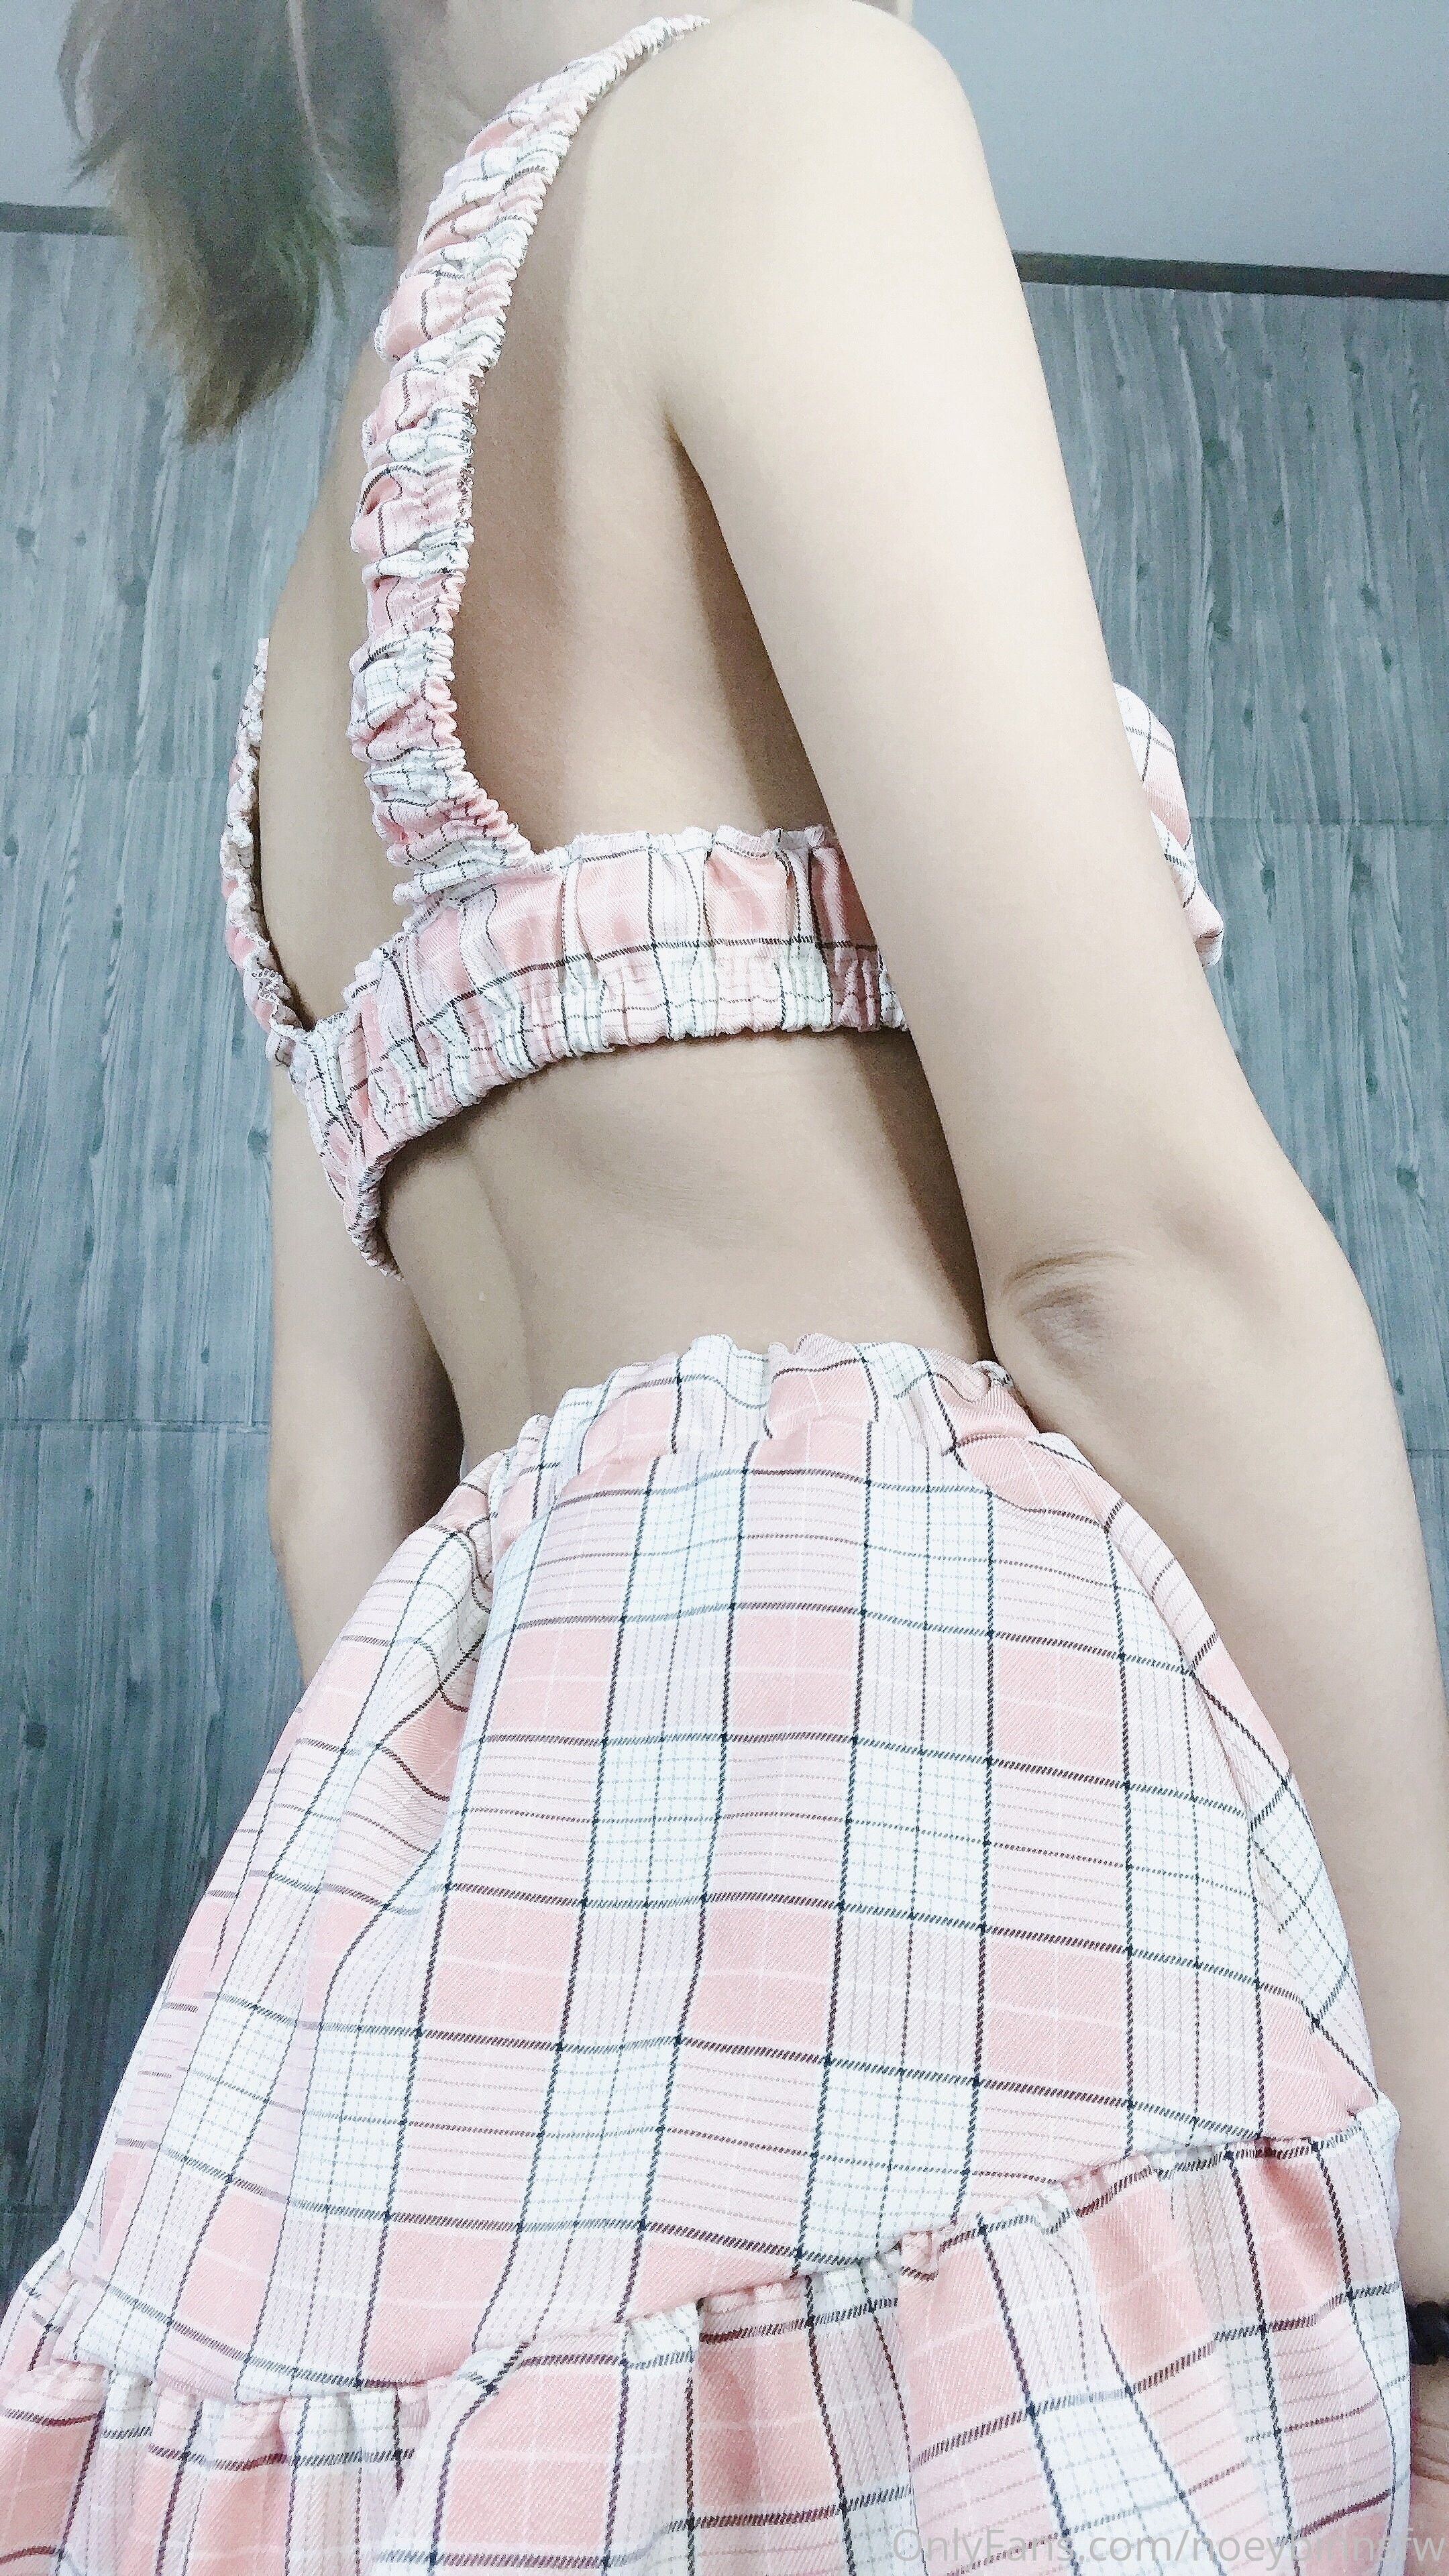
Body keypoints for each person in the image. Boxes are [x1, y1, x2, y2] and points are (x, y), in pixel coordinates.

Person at [2, 0, 1447, 2564]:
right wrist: (1433, 2247)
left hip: (417, 2025)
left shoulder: (310, 633)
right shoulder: (783, 108)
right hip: (956, 1842)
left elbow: (343, 1496)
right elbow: (1128, 1262)